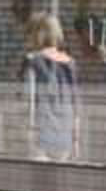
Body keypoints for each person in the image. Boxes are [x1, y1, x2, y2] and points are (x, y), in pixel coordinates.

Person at [21, 13, 84, 163]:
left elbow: (29, 101)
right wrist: (76, 140)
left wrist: (28, 132)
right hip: (65, 136)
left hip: (41, 134)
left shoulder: (32, 61)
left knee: (37, 176)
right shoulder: (70, 63)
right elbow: (76, 105)